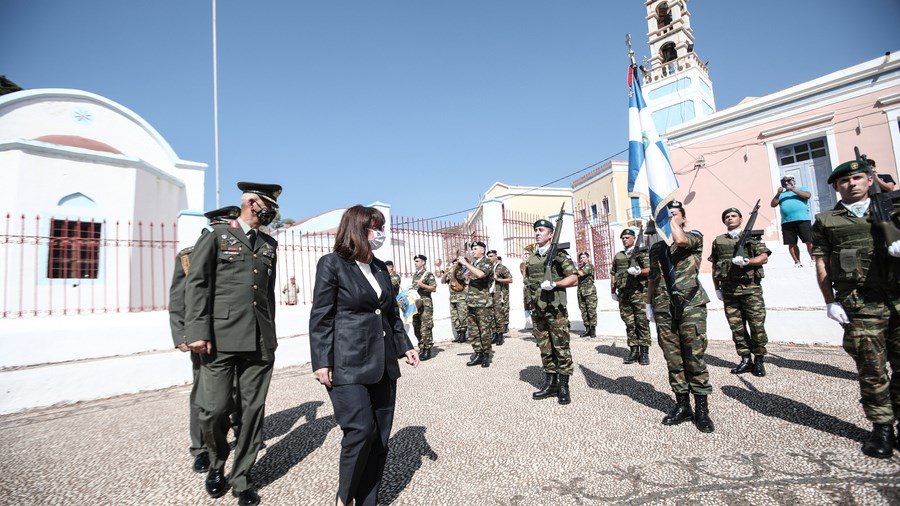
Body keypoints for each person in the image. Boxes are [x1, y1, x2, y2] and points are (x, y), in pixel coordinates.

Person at [309, 205, 420, 505]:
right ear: (356, 229)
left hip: (383, 363)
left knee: (380, 438)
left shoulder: (381, 267)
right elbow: (321, 316)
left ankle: (368, 501)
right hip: (347, 363)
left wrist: (406, 345)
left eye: (381, 227)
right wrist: (321, 360)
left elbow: (391, 314)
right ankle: (345, 498)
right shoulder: (332, 264)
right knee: (360, 431)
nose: (380, 234)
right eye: (374, 228)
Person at [184, 182, 282, 506]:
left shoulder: (269, 244)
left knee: (252, 411)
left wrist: (271, 334)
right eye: (268, 205)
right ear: (252, 203)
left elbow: (267, 294)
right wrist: (197, 331)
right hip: (220, 338)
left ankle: (242, 479)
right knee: (215, 409)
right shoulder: (216, 236)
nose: (272, 212)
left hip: (259, 340)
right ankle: (216, 462)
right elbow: (197, 284)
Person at [812, 158, 900, 459]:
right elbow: (822, 263)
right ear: (837, 187)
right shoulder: (827, 221)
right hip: (860, 303)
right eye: (844, 181)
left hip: (898, 298)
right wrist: (830, 300)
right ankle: (882, 427)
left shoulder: (893, 209)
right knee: (872, 369)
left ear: (870, 179)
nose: (851, 183)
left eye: (858, 178)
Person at [169, 205, 240, 475]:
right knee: (203, 393)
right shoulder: (189, 255)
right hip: (204, 337)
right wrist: (182, 334)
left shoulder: (241, 253)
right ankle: (201, 448)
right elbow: (179, 298)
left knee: (237, 389)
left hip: (235, 332)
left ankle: (237, 432)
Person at [646, 201, 715, 433]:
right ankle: (683, 405)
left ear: (683, 218)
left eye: (674, 214)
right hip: (663, 307)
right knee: (673, 359)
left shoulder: (694, 237)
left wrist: (669, 220)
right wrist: (648, 304)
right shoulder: (656, 248)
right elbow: (653, 278)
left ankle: (702, 410)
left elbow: (680, 240)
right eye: (665, 216)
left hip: (690, 305)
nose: (668, 218)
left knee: (694, 357)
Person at [709, 207, 772, 376]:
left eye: (733, 216)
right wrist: (716, 288)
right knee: (737, 328)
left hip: (751, 290)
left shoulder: (751, 237)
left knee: (757, 326)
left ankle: (759, 359)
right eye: (727, 216)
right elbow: (714, 265)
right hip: (729, 291)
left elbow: (764, 257)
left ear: (741, 219)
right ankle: (745, 359)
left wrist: (747, 262)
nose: (730, 218)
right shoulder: (719, 241)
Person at [524, 219, 578, 404]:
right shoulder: (532, 258)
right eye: (536, 230)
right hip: (537, 309)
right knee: (545, 348)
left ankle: (564, 387)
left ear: (550, 234)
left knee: (561, 347)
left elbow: (574, 278)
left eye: (541, 230)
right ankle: (551, 384)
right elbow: (528, 284)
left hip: (555, 310)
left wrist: (556, 284)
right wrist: (527, 306)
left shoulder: (559, 255)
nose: (537, 233)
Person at [609, 228, 651, 364]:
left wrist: (639, 271)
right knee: (629, 323)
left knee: (642, 323)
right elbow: (613, 274)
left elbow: (650, 270)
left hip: (639, 293)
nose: (624, 240)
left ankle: (644, 353)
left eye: (627, 237)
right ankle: (634, 351)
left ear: (634, 239)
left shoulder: (642, 253)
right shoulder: (619, 256)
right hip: (624, 295)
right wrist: (612, 291)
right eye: (623, 238)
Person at [458, 241, 495, 367]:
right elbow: (464, 278)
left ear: (482, 250)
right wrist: (459, 268)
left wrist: (466, 263)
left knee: (484, 330)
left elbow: (480, 274)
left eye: (475, 248)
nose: (472, 251)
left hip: (483, 303)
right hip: (471, 302)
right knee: (474, 331)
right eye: (472, 249)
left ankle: (486, 355)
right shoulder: (473, 264)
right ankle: (478, 353)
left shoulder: (487, 262)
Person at [770, 175, 814, 267]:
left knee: (809, 240)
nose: (787, 183)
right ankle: (797, 262)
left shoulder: (801, 189)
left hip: (802, 219)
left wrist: (793, 189)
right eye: (785, 182)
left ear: (794, 181)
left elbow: (807, 195)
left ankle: (813, 259)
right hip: (787, 222)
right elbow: (773, 204)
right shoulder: (781, 194)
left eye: (789, 181)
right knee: (791, 243)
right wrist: (778, 193)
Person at [411, 254, 437, 360]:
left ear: (423, 262)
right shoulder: (415, 275)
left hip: (425, 304)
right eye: (415, 261)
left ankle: (427, 349)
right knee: (416, 326)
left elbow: (434, 288)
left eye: (417, 261)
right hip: (416, 303)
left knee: (425, 327)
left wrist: (422, 285)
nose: (415, 263)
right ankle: (421, 347)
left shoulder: (428, 274)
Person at [487, 250, 512, 345]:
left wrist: (498, 279)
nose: (489, 258)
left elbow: (510, 279)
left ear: (495, 257)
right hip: (490, 294)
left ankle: (500, 335)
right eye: (488, 256)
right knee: (491, 314)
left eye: (491, 256)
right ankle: (494, 334)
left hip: (499, 294)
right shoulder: (488, 268)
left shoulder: (501, 268)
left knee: (499, 315)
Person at [442, 258, 469, 343]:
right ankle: (459, 334)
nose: (454, 265)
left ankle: (463, 334)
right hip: (452, 298)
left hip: (462, 298)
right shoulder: (451, 273)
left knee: (462, 316)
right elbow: (443, 281)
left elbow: (460, 277)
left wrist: (454, 270)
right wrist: (446, 273)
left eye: (456, 263)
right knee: (454, 317)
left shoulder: (462, 272)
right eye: (453, 263)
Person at [576, 252, 598, 339]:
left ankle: (593, 330)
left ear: (588, 258)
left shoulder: (590, 266)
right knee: (584, 311)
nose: (582, 259)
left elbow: (582, 274)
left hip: (589, 292)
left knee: (591, 311)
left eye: (584, 257)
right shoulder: (580, 268)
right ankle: (587, 329)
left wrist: (573, 268)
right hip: (581, 292)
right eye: (581, 258)